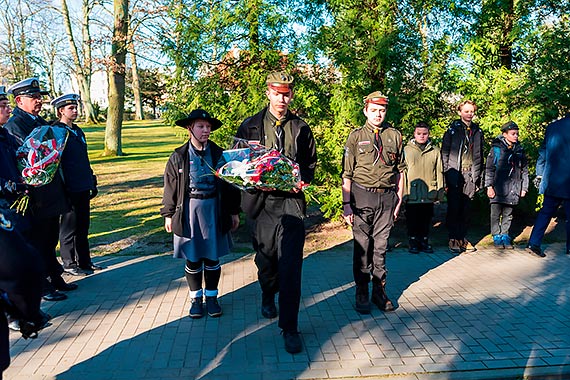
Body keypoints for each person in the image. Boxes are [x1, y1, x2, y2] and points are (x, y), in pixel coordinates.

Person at [235, 71, 317, 354]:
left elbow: (310, 164)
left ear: (291, 95)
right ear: (268, 93)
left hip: (291, 204)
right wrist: (252, 177)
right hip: (262, 205)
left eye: (287, 93)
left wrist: (302, 178)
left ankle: (290, 327)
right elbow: (238, 165)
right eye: (277, 93)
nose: (282, 98)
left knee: (292, 267)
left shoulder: (300, 128)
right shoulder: (250, 127)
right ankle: (268, 291)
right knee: (266, 260)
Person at [161, 109, 240, 319]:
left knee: (212, 258)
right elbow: (170, 187)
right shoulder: (178, 156)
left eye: (208, 127)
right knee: (193, 258)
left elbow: (231, 185)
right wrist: (168, 214)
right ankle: (196, 299)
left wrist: (233, 212)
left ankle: (212, 297)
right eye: (201, 126)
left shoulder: (219, 154)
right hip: (189, 211)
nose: (206, 130)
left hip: (214, 209)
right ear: (190, 129)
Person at [4, 78, 76, 302]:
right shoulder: (15, 125)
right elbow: (26, 159)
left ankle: (54, 276)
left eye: (39, 97)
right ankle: (43, 284)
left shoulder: (40, 121)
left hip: (50, 191)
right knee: (38, 240)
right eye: (34, 97)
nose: (39, 101)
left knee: (50, 237)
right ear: (19, 100)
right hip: (34, 194)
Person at [341, 91, 405, 315]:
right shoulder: (356, 137)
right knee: (362, 248)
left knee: (380, 248)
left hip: (386, 199)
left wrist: (398, 201)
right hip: (361, 197)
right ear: (366, 111)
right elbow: (347, 173)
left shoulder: (394, 136)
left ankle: (379, 290)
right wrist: (346, 204)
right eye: (374, 110)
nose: (379, 114)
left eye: (382, 110)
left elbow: (400, 172)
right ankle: (361, 291)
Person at [51, 94, 101, 276]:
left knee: (83, 225)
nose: (75, 111)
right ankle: (69, 263)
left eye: (75, 107)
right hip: (68, 187)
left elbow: (83, 159)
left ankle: (85, 261)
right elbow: (56, 163)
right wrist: (63, 186)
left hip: (82, 185)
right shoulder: (56, 131)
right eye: (70, 108)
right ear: (60, 111)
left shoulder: (78, 131)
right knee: (69, 227)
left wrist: (91, 180)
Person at [441, 100, 484, 253]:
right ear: (460, 112)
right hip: (455, 173)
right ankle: (453, 238)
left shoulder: (477, 131)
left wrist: (478, 177)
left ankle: (463, 237)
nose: (469, 114)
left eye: (471, 111)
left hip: (470, 174)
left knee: (466, 209)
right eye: (466, 111)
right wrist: (446, 176)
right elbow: (444, 154)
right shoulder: (452, 130)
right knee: (454, 208)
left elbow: (480, 155)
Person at [527, 113, 570, 257]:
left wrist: (540, 174)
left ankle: (534, 243)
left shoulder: (552, 127)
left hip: (552, 179)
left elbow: (543, 153)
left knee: (545, 212)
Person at [484, 121, 529, 249]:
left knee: (508, 214)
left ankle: (505, 234)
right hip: (497, 188)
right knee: (495, 214)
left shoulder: (519, 151)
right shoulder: (496, 149)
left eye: (517, 134)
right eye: (513, 134)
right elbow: (489, 169)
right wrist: (489, 186)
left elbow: (524, 170)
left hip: (514, 188)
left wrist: (524, 187)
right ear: (504, 134)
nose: (516, 136)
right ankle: (496, 235)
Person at [402, 122, 444, 253]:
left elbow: (439, 172)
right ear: (414, 134)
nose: (422, 136)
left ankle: (424, 241)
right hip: (412, 193)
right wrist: (403, 194)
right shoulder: (406, 150)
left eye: (424, 134)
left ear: (428, 134)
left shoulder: (435, 150)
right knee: (412, 219)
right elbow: (402, 173)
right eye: (419, 133)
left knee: (426, 219)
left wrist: (440, 193)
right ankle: (413, 241)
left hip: (429, 193)